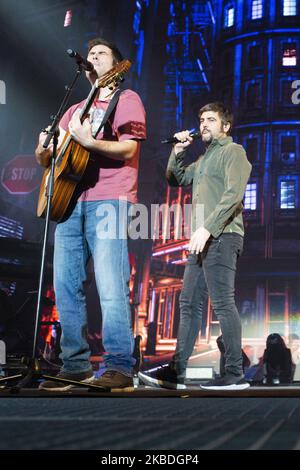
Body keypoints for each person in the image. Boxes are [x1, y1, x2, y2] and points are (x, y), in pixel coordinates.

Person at [36, 37, 146, 391]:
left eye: (101, 54)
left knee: (111, 284)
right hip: (70, 200)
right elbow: (51, 157)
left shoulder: (126, 99)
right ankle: (75, 364)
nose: (93, 57)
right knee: (65, 285)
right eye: (91, 54)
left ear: (116, 65)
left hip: (110, 199)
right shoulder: (75, 110)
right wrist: (43, 149)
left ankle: (118, 366)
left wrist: (90, 142)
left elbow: (128, 148)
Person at [139, 102, 251, 390]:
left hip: (223, 236)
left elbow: (234, 194)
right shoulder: (201, 161)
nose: (203, 124)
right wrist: (178, 151)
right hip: (200, 240)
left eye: (211, 120)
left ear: (225, 126)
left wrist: (208, 228)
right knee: (188, 304)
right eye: (201, 120)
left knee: (223, 303)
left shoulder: (233, 152)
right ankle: (177, 372)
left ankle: (234, 373)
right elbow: (176, 178)